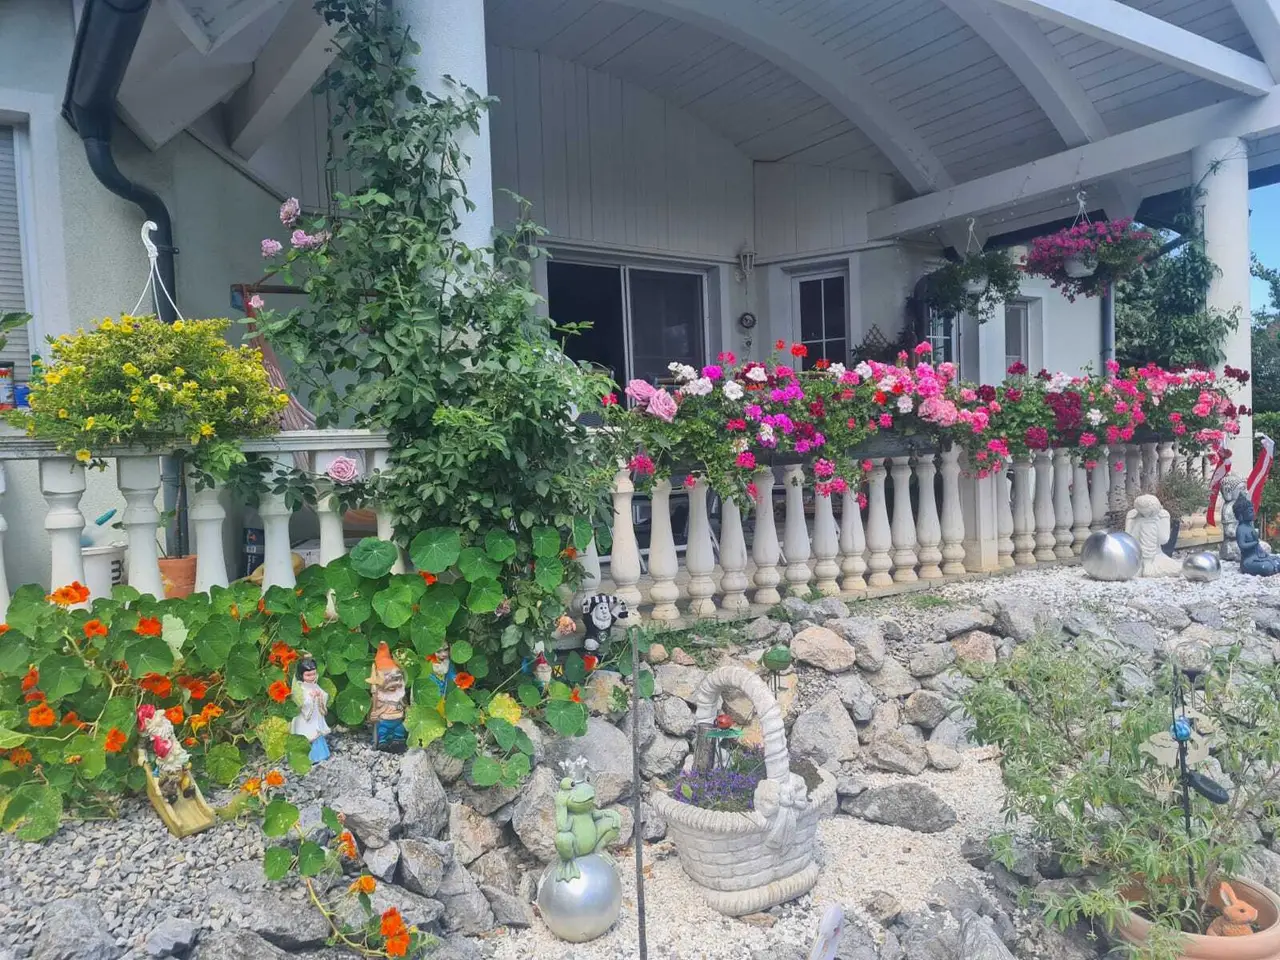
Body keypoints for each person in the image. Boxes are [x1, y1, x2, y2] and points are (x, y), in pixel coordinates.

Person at [290, 657, 331, 763]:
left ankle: (321, 754)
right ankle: (310, 757)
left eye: (313, 674)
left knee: (317, 734)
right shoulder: (300, 688)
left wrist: (320, 695)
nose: (312, 677)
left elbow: (325, 695)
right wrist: (311, 698)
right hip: (306, 719)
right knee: (309, 735)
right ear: (301, 675)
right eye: (308, 675)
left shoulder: (315, 685)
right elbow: (301, 703)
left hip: (316, 716)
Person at [1235, 498, 1280, 576]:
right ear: (1241, 514)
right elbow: (1242, 545)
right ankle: (1272, 567)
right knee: (1267, 567)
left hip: (1258, 556)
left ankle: (1274, 566)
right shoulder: (1240, 529)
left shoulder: (1250, 526)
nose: (1253, 513)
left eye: (1253, 510)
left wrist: (1264, 553)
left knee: (1277, 559)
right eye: (1250, 511)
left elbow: (1258, 546)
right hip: (1249, 559)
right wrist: (1254, 543)